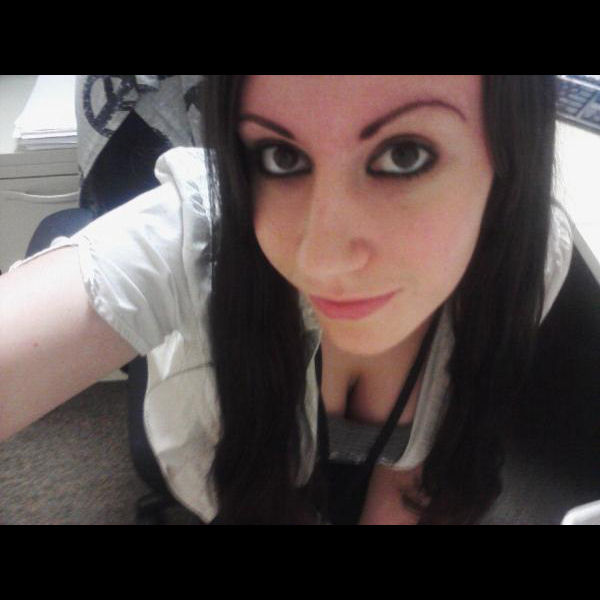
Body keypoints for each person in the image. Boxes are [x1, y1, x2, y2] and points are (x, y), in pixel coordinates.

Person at [0, 76, 573, 525]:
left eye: (405, 155)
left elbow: (415, 475)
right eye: (279, 156)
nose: (320, 261)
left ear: (509, 151)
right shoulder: (202, 229)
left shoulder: (528, 256)